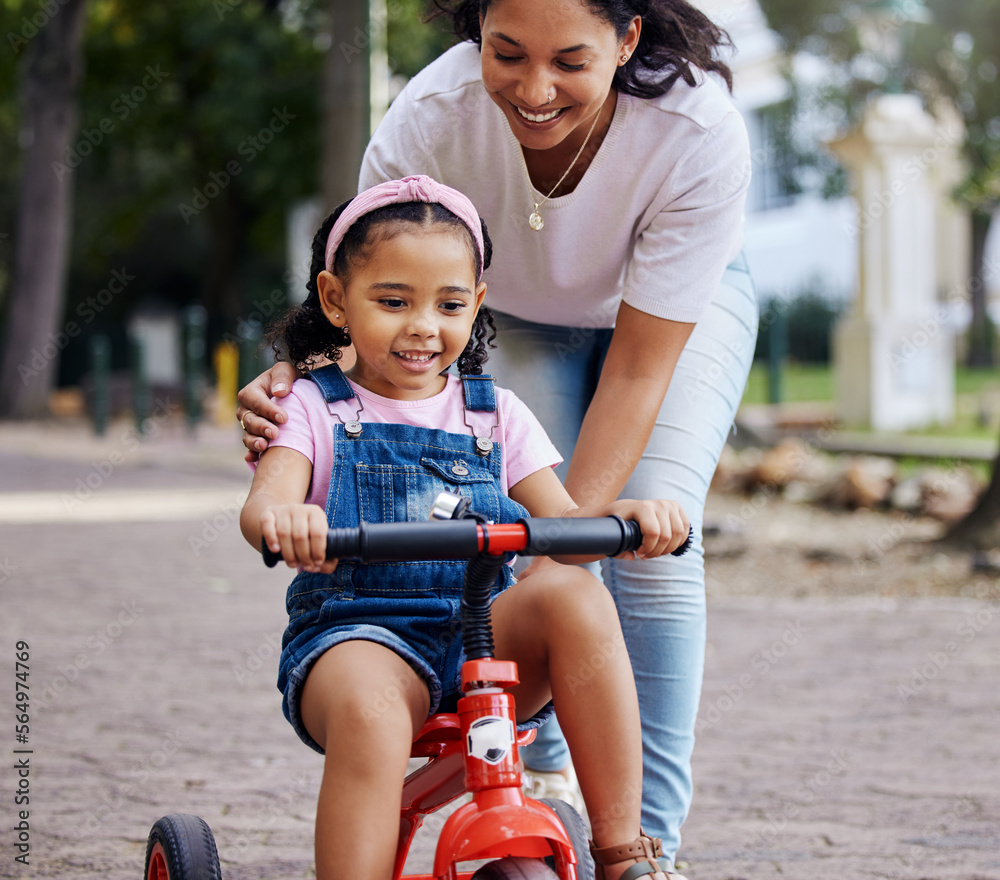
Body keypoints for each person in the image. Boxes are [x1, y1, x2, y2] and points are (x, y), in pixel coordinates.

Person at [238, 0, 757, 869]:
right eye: (506, 53)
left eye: (570, 61)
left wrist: (630, 522)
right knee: (513, 569)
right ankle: (534, 777)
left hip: (666, 312)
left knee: (609, 572)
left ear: (627, 40)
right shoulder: (433, 116)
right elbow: (372, 273)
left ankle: (640, 847)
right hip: (502, 310)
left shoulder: (692, 128)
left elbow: (632, 381)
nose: (535, 88)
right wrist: (300, 381)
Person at [239, 175, 691, 880]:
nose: (423, 325)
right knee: (372, 709)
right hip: (359, 636)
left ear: (476, 305)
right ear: (336, 301)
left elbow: (562, 520)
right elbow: (265, 506)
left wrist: (621, 519)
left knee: (576, 595)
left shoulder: (496, 414)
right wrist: (287, 519)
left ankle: (625, 854)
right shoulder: (311, 406)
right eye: (393, 302)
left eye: (449, 304)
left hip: (483, 634)